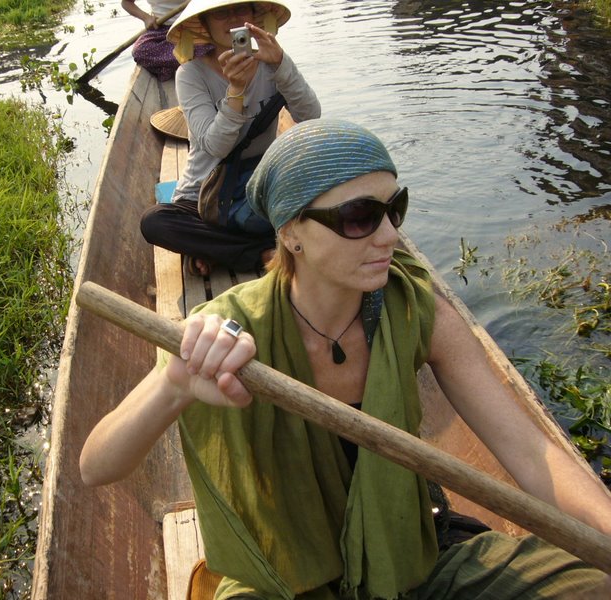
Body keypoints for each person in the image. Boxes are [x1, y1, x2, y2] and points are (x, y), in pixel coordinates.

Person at [80, 119, 611, 599]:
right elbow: (96, 467)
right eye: (360, 217)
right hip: (278, 576)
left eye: (393, 209)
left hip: (410, 553)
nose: (390, 236)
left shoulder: (415, 310)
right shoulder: (233, 327)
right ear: (290, 234)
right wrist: (174, 382)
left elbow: (529, 451)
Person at [140, 0, 320, 277]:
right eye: (222, 13)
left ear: (253, 16)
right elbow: (216, 146)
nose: (233, 19)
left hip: (259, 185)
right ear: (206, 24)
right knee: (155, 222)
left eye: (241, 10)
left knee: (327, 187)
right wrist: (236, 89)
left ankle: (213, 249)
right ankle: (261, 252)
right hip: (205, 193)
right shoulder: (190, 74)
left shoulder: (271, 62)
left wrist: (282, 65)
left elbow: (310, 115)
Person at [122, 0, 211, 80]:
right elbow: (126, 3)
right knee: (140, 50)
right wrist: (146, 18)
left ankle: (190, 62)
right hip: (163, 29)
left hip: (196, 25)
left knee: (216, 41)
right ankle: (196, 60)